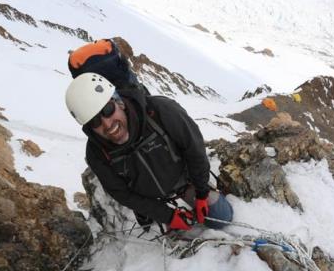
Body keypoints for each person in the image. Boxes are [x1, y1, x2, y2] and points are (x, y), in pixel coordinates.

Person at [65, 72, 233, 231]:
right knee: (151, 224)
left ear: (119, 102)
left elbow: (194, 149)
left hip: (183, 179)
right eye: (95, 122)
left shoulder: (161, 111)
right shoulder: (96, 153)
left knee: (222, 216)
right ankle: (146, 211)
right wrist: (167, 216)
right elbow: (122, 193)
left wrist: (202, 192)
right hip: (146, 195)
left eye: (108, 110)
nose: (108, 124)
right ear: (89, 129)